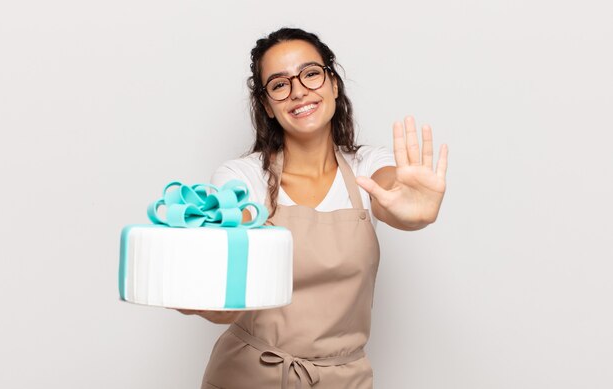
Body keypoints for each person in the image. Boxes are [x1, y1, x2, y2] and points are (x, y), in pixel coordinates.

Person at [179, 27, 448, 389]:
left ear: (334, 83)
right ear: (267, 106)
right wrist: (214, 291)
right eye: (278, 84)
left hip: (344, 379)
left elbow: (393, 194)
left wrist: (411, 207)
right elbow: (234, 227)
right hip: (247, 375)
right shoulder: (243, 178)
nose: (298, 91)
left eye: (310, 73)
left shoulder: (368, 167)